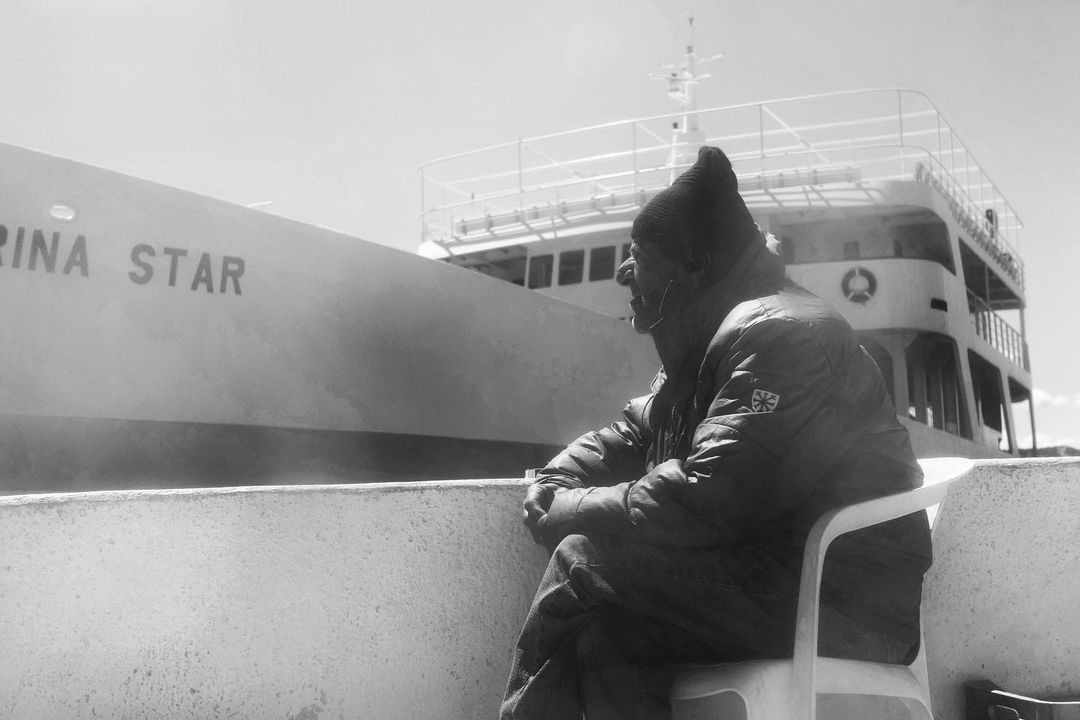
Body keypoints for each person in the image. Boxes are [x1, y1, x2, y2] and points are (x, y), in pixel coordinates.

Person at [500, 146, 932, 720]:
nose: (623, 273)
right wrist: (555, 480)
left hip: (846, 608)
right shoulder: (708, 345)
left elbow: (707, 501)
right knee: (610, 632)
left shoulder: (783, 336)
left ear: (694, 267)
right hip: (777, 579)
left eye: (639, 257)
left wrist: (564, 510)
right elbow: (630, 435)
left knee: (583, 560)